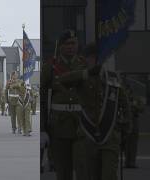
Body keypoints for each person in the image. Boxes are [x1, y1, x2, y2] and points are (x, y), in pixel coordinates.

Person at [58, 42, 132, 180]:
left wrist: (126, 128)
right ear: (86, 58)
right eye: (91, 57)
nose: (95, 60)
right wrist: (86, 73)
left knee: (109, 175)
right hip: (88, 135)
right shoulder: (81, 76)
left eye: (97, 57)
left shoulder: (112, 77)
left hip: (109, 135)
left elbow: (124, 104)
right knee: (89, 175)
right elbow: (62, 80)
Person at [41, 30, 89, 180]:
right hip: (59, 126)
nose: (71, 47)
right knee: (63, 170)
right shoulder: (51, 67)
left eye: (73, 43)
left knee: (82, 167)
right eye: (67, 44)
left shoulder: (84, 65)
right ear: (60, 46)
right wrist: (42, 129)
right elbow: (42, 99)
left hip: (81, 125)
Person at [124, 84, 145, 168]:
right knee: (126, 144)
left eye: (129, 90)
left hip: (134, 121)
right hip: (126, 121)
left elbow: (142, 109)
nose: (128, 91)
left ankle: (132, 162)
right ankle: (126, 162)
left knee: (133, 144)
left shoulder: (137, 98)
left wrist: (134, 105)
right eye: (127, 90)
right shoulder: (123, 98)